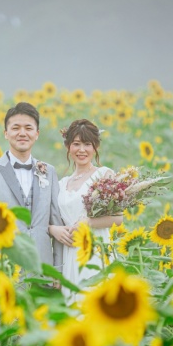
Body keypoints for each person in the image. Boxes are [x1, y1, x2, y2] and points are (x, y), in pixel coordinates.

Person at [0, 102, 63, 281]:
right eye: (16, 128)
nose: (22, 133)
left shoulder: (48, 171)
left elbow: (56, 222)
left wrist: (58, 272)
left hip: (43, 272)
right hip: (3, 270)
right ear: (6, 133)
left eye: (28, 128)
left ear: (37, 134)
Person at [49, 119, 123, 301]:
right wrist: (52, 230)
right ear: (68, 147)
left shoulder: (104, 175)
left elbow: (118, 218)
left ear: (95, 147)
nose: (81, 150)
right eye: (76, 144)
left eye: (87, 144)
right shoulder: (61, 183)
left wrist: (88, 221)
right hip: (69, 253)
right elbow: (51, 219)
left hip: (96, 249)